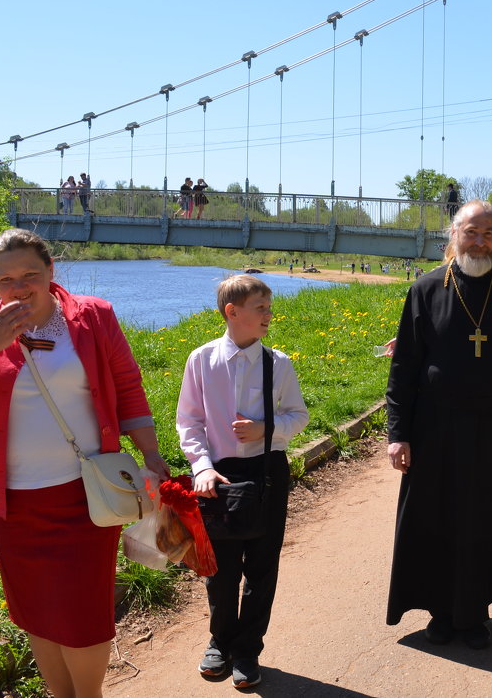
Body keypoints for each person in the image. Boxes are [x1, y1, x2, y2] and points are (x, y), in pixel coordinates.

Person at [0, 228, 169, 698]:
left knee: (82, 615)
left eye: (30, 275)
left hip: (85, 497)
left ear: (51, 271)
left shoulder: (93, 317)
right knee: (36, 610)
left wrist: (152, 454)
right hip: (10, 502)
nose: (19, 288)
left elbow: (127, 387)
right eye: (6, 280)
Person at [385, 199, 492, 649]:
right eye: (471, 232)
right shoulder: (425, 290)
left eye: (489, 234)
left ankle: (475, 614)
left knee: (485, 521)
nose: (480, 241)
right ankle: (441, 613)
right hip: (433, 427)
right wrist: (397, 433)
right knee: (435, 519)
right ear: (454, 234)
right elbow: (403, 371)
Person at [177, 274, 309, 688]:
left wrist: (266, 430)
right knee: (220, 568)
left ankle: (248, 647)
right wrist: (200, 466)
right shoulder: (201, 360)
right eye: (261, 308)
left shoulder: (279, 364)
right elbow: (189, 421)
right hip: (218, 476)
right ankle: (220, 640)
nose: (269, 315)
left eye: (269, 307)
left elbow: (298, 415)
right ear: (232, 313)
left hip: (267, 473)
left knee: (262, 565)